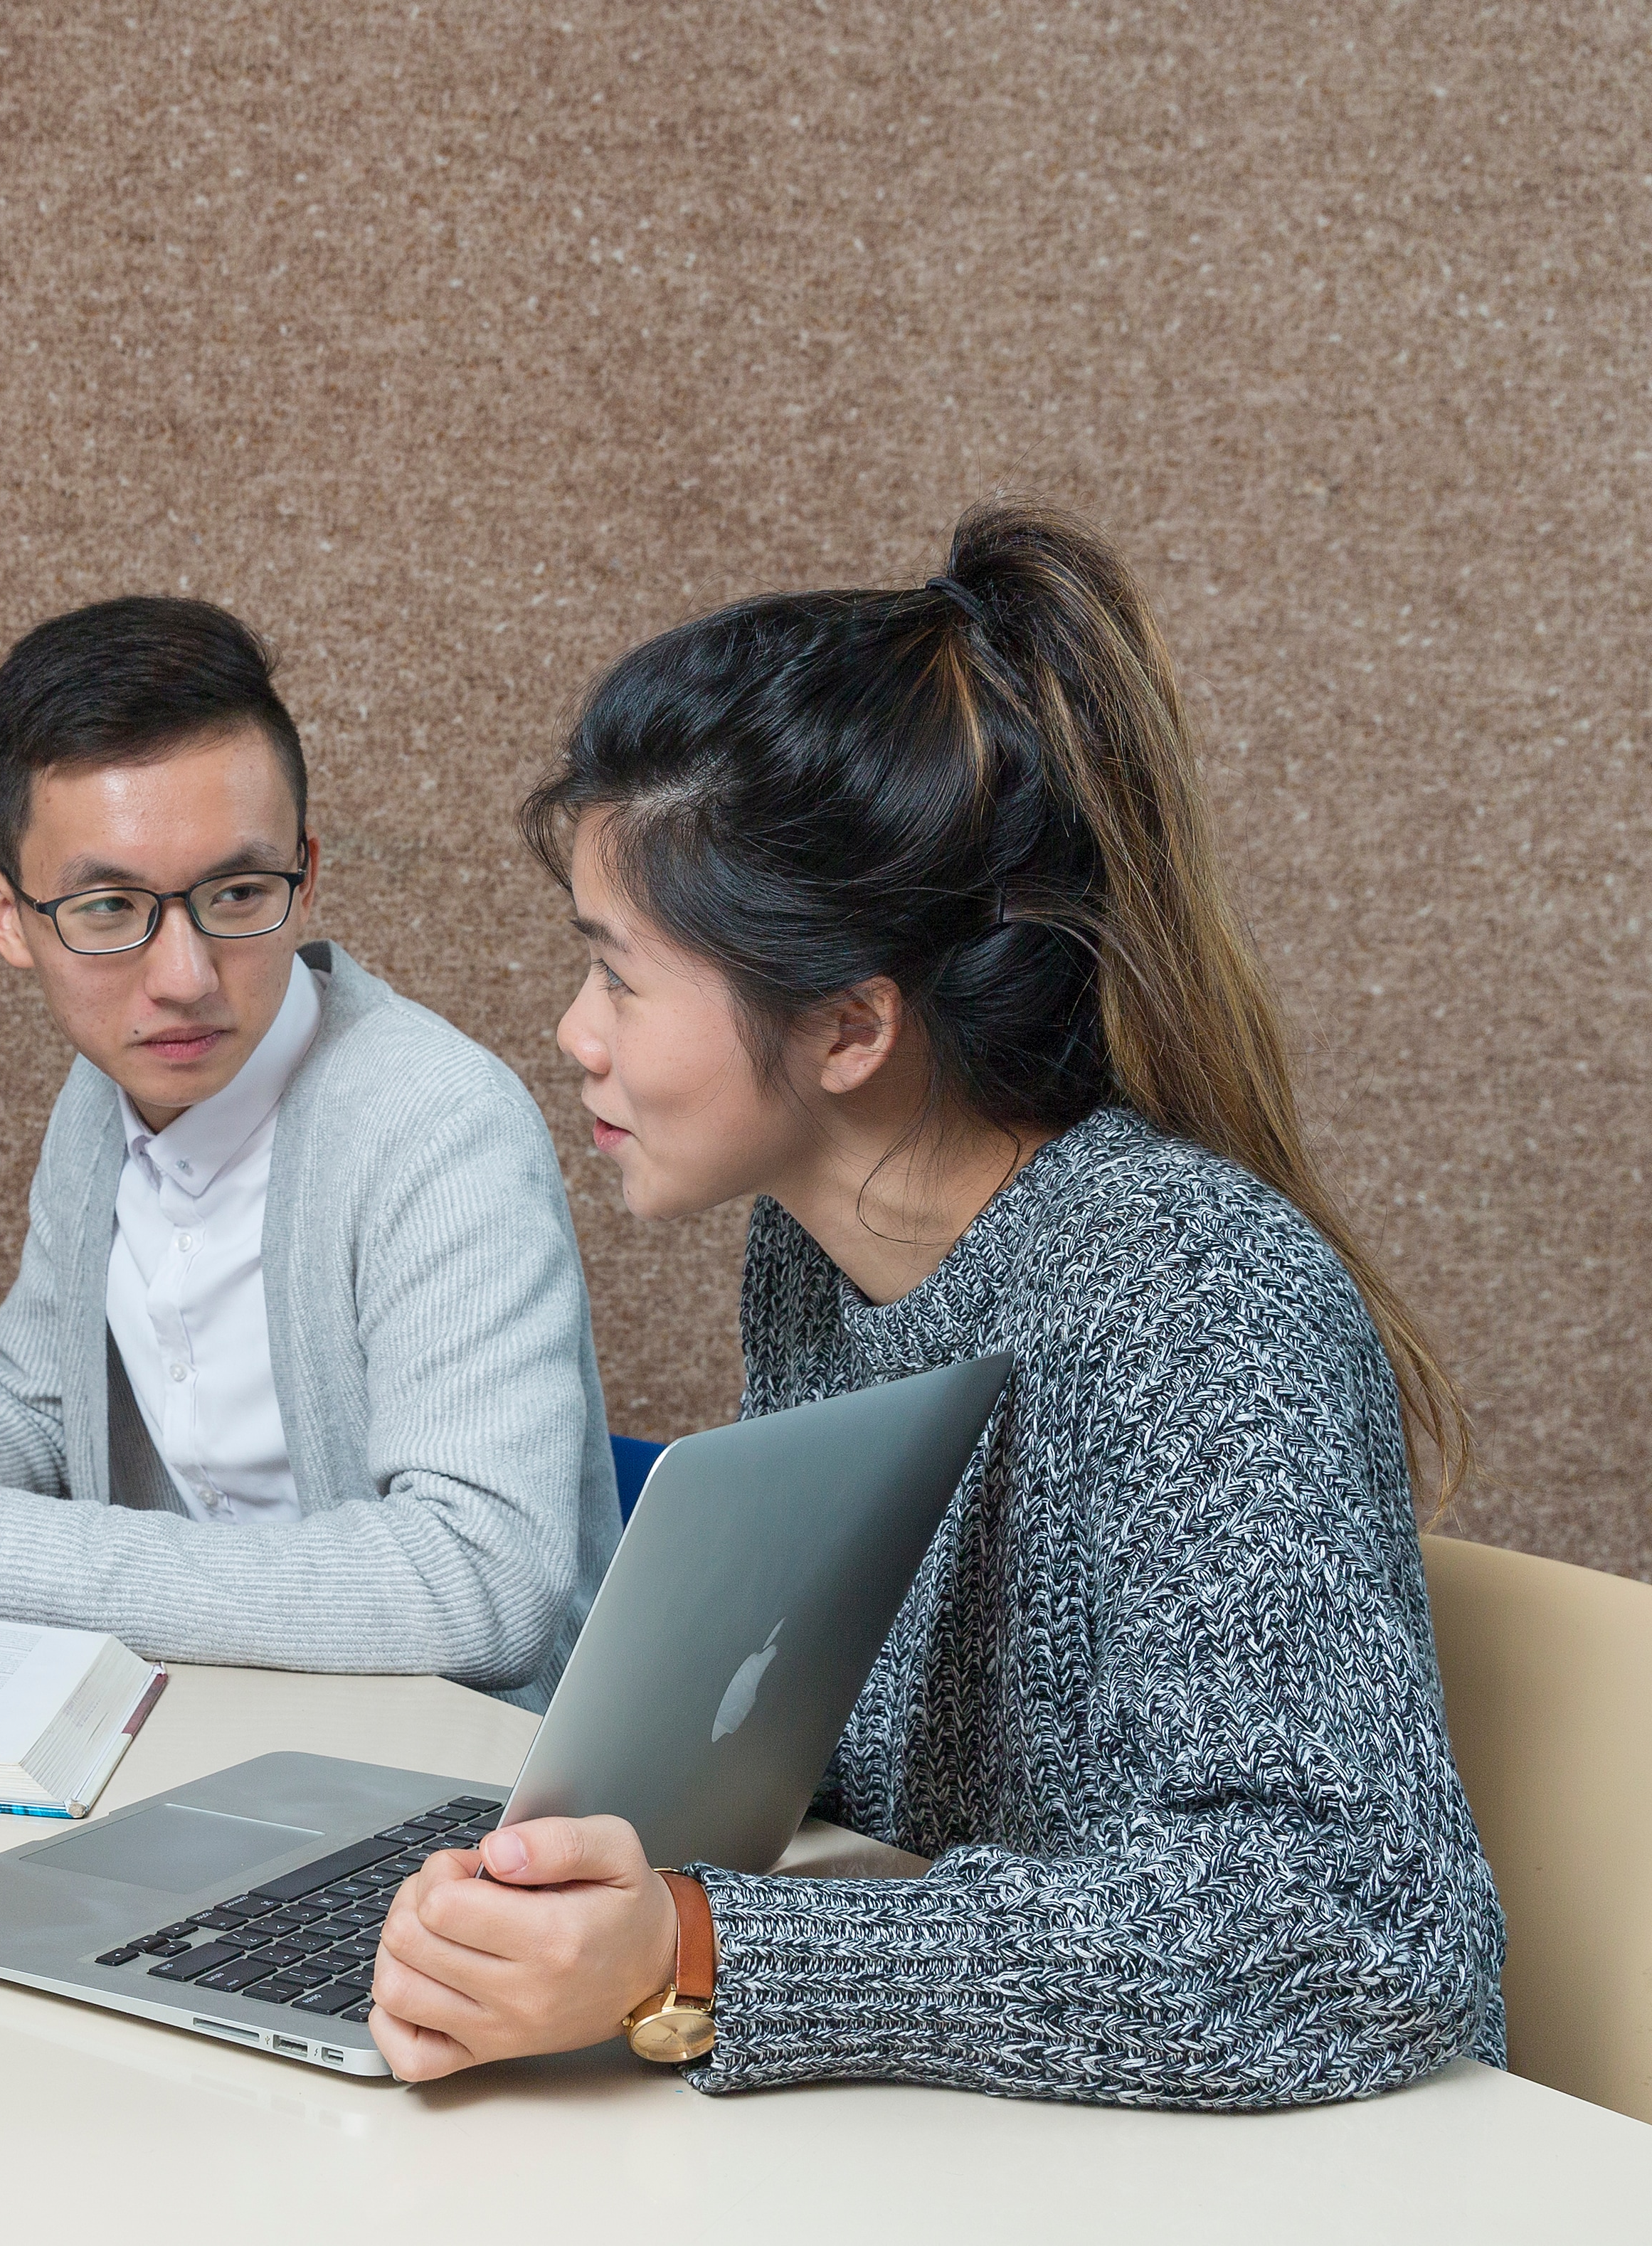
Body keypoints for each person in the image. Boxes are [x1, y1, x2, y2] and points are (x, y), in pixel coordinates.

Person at [364, 501, 1504, 2104]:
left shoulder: (1197, 1299)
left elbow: (1347, 1931)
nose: (573, 1030)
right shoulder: (815, 1258)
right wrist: (566, 1901)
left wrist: (695, 1954)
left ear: (846, 1030)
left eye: (620, 972)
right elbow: (851, 1789)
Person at [0, 597, 620, 1696]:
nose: (184, 977)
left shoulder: (436, 1125)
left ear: (305, 877)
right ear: (6, 918)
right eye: (112, 906)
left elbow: (479, 1587)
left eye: (237, 892)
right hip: (220, 1739)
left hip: (471, 1796)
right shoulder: (103, 1096)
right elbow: (39, 1407)